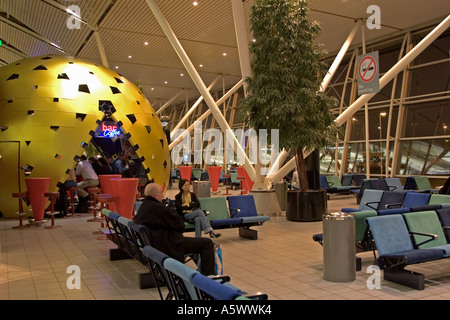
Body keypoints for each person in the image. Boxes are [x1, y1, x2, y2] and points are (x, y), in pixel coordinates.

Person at [134, 183, 215, 276]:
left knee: (197, 243)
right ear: (156, 196)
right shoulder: (158, 208)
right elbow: (180, 226)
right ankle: (208, 278)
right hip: (169, 244)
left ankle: (199, 274)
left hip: (156, 242)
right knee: (207, 243)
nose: (163, 196)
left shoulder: (144, 207)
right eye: (161, 194)